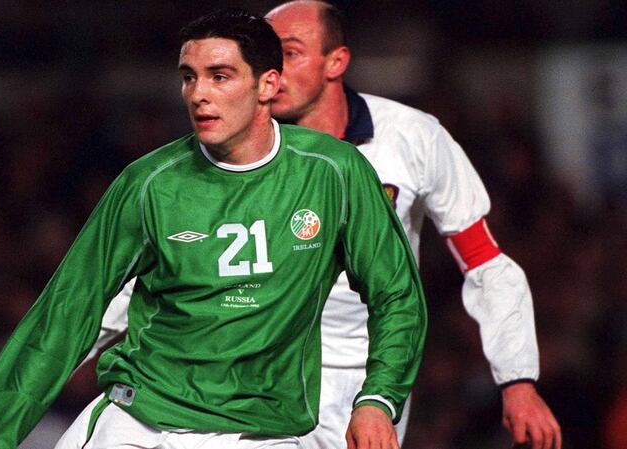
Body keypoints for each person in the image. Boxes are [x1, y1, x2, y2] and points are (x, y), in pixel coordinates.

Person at [58, 2, 562, 449]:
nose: (273, 67)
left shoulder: (413, 139)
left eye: (291, 53)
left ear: (336, 62)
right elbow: (166, 269)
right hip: (257, 367)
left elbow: (484, 262)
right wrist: (65, 355)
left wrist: (516, 379)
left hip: (369, 380)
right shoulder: (237, 147)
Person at [0, 8, 427, 449]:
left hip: (260, 432)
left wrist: (378, 399)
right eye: (189, 77)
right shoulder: (149, 184)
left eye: (219, 76)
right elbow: (65, 314)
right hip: (139, 420)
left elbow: (396, 294)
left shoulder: (333, 173)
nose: (198, 93)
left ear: (267, 84)